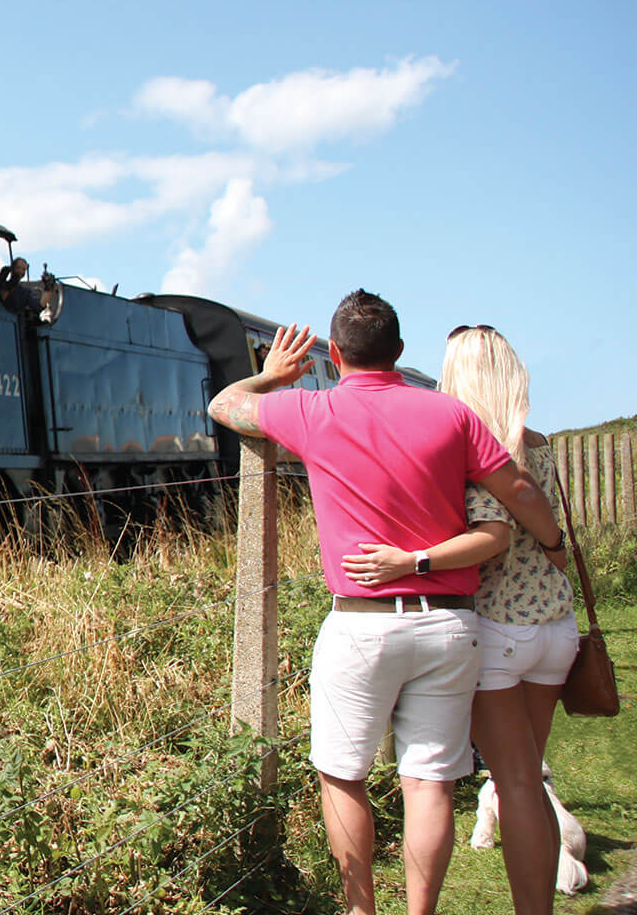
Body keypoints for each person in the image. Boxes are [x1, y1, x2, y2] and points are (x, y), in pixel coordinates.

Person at [207, 290, 562, 915]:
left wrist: (272, 375)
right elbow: (519, 487)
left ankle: (361, 910)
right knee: (430, 782)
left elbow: (226, 404)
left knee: (342, 774)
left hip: (362, 625)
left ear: (335, 354)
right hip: (452, 626)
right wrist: (556, 545)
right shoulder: (453, 416)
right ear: (399, 352)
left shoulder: (311, 410)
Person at [344, 326, 575, 914]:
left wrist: (412, 560)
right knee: (526, 780)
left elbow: (489, 538)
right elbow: (540, 518)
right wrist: (554, 542)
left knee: (516, 781)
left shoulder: (467, 449)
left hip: (496, 629)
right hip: (554, 627)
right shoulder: (540, 443)